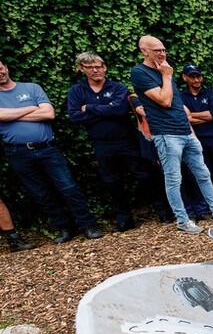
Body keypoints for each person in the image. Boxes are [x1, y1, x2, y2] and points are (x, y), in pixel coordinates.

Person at [130, 36, 213, 233]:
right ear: (144, 51)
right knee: (174, 179)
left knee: (203, 173)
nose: (162, 54)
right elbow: (164, 101)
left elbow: (178, 106)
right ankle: (182, 220)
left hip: (185, 132)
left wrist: (192, 133)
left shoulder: (164, 72)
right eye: (157, 50)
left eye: (163, 49)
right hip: (166, 134)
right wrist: (167, 76)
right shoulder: (140, 73)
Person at [0, 58, 102, 243]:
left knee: (69, 187)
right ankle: (64, 228)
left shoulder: (31, 88)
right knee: (41, 194)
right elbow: (1, 116)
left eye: (1, 68)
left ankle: (87, 225)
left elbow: (48, 113)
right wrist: (31, 108)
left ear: (6, 67)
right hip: (18, 153)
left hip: (47, 149)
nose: (0, 73)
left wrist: (12, 115)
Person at [67, 52, 152, 232]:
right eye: (90, 67)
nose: (95, 70)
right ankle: (125, 220)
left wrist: (89, 108)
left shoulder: (118, 88)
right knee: (112, 182)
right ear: (82, 69)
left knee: (143, 175)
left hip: (125, 140)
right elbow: (74, 117)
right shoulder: (77, 91)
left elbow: (120, 111)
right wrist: (106, 110)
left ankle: (162, 211)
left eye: (98, 66)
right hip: (101, 144)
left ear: (104, 67)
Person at [180, 64, 213, 212]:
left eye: (198, 76)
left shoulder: (211, 94)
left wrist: (191, 115)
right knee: (203, 173)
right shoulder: (181, 97)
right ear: (185, 77)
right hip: (195, 140)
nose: (196, 80)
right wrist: (205, 116)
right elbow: (182, 118)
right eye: (192, 77)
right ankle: (207, 206)